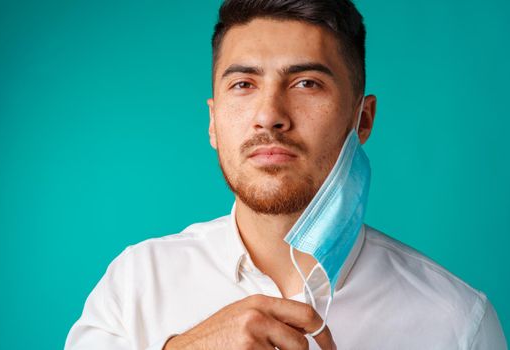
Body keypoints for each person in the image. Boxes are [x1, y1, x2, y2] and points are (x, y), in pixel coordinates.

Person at [64, 0, 507, 349]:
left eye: (306, 83)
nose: (269, 116)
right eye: (244, 84)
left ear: (363, 120)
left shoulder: (457, 322)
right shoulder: (134, 286)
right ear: (213, 122)